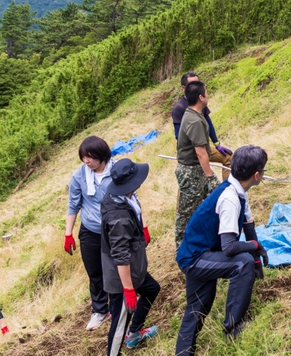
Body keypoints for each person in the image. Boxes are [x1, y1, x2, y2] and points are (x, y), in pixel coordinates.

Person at [175, 145, 269, 356]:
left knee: (200, 304)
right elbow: (229, 248)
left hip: (199, 252)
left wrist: (257, 261)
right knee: (241, 262)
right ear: (256, 175)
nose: (264, 174)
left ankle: (183, 352)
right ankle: (232, 328)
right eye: (264, 171)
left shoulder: (237, 189)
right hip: (196, 258)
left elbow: (248, 226)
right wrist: (254, 248)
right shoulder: (229, 199)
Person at [101, 158, 160, 355]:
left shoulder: (119, 196)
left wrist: (143, 228)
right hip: (122, 276)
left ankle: (134, 334)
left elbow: (135, 206)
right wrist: (128, 289)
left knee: (152, 289)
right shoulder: (118, 219)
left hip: (135, 268)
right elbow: (120, 254)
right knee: (119, 321)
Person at [64, 136, 117, 331]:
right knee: (95, 272)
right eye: (83, 157)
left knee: (118, 267)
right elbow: (73, 204)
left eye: (90, 157)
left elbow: (131, 198)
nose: (86, 161)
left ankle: (121, 304)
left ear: (102, 155)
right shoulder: (80, 175)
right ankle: (100, 310)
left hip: (115, 229)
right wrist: (68, 234)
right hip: (90, 230)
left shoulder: (117, 170)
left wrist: (141, 226)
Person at [175, 80, 221, 248]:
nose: (208, 96)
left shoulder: (194, 115)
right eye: (207, 93)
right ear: (201, 97)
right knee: (187, 212)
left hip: (195, 170)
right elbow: (200, 152)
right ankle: (181, 249)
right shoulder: (194, 121)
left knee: (205, 207)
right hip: (191, 172)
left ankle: (205, 240)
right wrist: (210, 176)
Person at [173, 72, 232, 179]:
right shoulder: (179, 108)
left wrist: (217, 144)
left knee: (228, 157)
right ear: (183, 88)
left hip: (204, 147)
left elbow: (208, 123)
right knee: (190, 184)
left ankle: (226, 191)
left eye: (198, 83)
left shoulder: (201, 103)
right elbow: (179, 136)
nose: (197, 86)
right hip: (191, 154)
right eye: (193, 84)